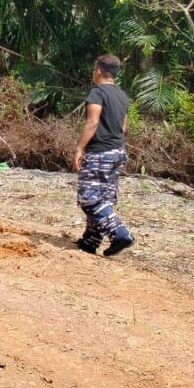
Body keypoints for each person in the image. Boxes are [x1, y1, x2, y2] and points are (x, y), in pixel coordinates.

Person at [74, 54, 135, 257]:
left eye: (94, 69)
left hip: (100, 152)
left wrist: (80, 148)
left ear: (98, 70)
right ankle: (90, 241)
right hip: (118, 151)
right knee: (103, 198)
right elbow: (124, 127)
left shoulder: (97, 93)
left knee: (89, 198)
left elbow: (92, 123)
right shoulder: (122, 95)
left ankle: (120, 233)